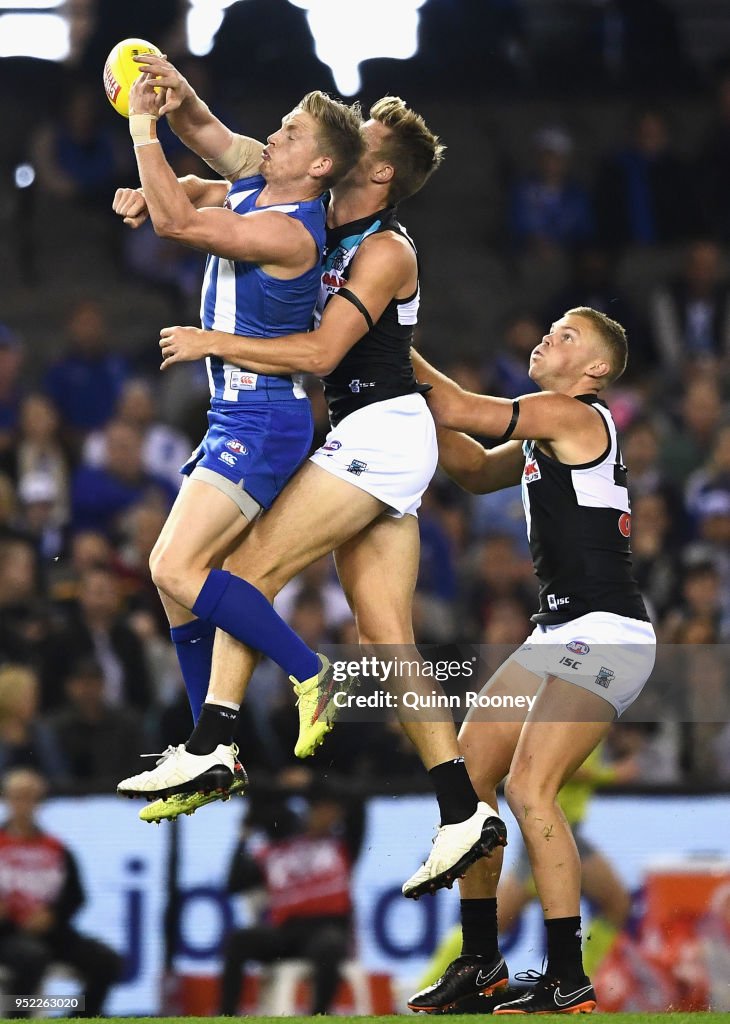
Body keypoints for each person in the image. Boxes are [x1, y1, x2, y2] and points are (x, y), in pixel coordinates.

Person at [116, 60, 506, 900]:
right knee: (385, 640)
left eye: (359, 137)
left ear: (380, 170)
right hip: (378, 427)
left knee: (244, 570)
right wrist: (175, 100)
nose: (342, 132)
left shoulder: (387, 248)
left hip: (377, 430)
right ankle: (462, 810)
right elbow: (221, 148)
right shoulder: (318, 207)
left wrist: (215, 343)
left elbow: (326, 355)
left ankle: (217, 735)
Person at [404, 306, 656, 1012]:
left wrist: (387, 342)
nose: (547, 338)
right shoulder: (551, 430)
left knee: (529, 789)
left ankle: (566, 975)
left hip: (606, 631)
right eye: (549, 328)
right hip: (560, 631)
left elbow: (457, 405)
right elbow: (472, 468)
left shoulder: (575, 415)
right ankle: (481, 964)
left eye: (566, 336)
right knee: (469, 773)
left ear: (596, 370)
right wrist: (405, 403)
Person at [110, 62, 363, 761]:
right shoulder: (262, 180)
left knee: (171, 567)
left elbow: (178, 222)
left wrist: (142, 124)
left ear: (317, 165)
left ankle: (313, 673)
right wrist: (173, 86)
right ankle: (208, 747)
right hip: (238, 414)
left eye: (290, 133)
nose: (272, 137)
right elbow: (205, 132)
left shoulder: (293, 233)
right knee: (178, 593)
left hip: (264, 419)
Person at [411, 739, 641, 1012]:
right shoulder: (569, 708)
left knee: (616, 904)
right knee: (497, 923)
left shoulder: (578, 710)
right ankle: (430, 982)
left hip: (562, 829)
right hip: (548, 833)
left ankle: (579, 983)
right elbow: (554, 763)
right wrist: (613, 774)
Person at [220, 789, 363, 1015]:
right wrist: (243, 836)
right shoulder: (275, 852)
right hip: (287, 932)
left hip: (327, 928)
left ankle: (318, 1016)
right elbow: (233, 883)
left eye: (331, 811)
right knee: (239, 941)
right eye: (318, 810)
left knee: (330, 944)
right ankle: (226, 1015)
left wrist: (310, 783)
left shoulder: (342, 844)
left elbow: (358, 798)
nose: (324, 816)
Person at [0, 768, 122, 1016]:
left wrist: (53, 915)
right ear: (7, 799)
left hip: (50, 932)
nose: (24, 803)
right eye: (18, 796)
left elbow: (76, 896)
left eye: (30, 796)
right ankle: (17, 1017)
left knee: (107, 961)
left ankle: (82, 1016)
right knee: (32, 958)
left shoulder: (56, 848)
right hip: (6, 934)